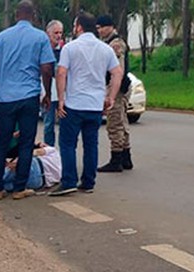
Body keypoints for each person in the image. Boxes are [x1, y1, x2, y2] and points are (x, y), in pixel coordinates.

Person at [0, 0, 55, 201]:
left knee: (2, 143)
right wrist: (47, 94)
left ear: (16, 15)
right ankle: (19, 188)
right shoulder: (40, 37)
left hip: (6, 98)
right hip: (29, 97)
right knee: (26, 143)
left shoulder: (2, 37)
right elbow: (46, 69)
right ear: (32, 16)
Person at [49, 12, 122, 196]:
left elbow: (62, 73)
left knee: (67, 143)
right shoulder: (105, 49)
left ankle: (68, 181)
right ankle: (88, 182)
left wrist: (61, 100)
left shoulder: (70, 48)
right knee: (91, 144)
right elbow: (117, 73)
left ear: (79, 27)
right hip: (95, 105)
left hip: (74, 104)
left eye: (74, 25)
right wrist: (110, 97)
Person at [96, 15, 133, 173]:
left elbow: (117, 71)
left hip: (117, 89)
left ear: (109, 26)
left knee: (115, 123)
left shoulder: (115, 44)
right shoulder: (110, 42)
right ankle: (126, 158)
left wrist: (111, 93)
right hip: (121, 87)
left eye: (101, 27)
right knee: (122, 122)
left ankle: (116, 159)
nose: (99, 31)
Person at [42, 20, 64, 147]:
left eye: (60, 32)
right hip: (47, 93)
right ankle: (49, 153)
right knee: (48, 125)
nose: (58, 35)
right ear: (48, 33)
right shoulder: (42, 50)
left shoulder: (65, 50)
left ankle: (63, 155)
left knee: (65, 126)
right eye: (56, 32)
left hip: (62, 94)